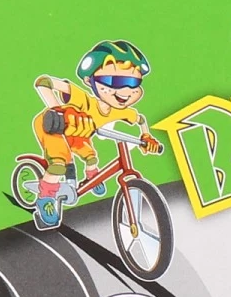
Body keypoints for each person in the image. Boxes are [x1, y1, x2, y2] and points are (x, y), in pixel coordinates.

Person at [29, 40, 162, 230]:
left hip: (78, 132)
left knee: (90, 156)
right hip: (52, 126)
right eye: (114, 82)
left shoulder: (119, 111)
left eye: (133, 82)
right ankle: (45, 199)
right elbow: (43, 82)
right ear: (88, 81)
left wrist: (146, 137)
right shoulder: (84, 100)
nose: (126, 90)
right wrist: (59, 111)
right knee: (59, 163)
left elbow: (140, 120)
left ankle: (92, 177)